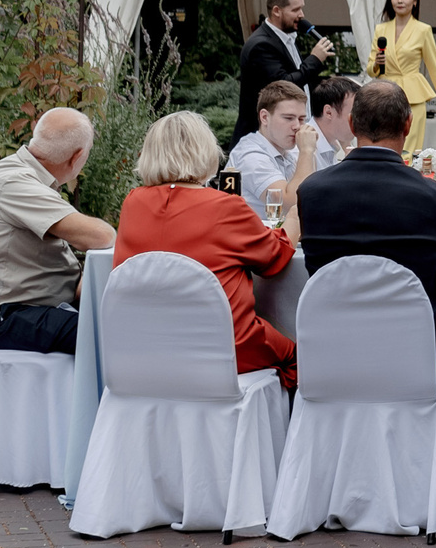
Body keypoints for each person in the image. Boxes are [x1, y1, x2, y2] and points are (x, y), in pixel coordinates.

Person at [295, 78, 436, 392]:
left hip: (332, 354)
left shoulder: (311, 192)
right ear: (408, 125)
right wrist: (429, 272)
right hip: (416, 356)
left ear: (352, 124)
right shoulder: (432, 196)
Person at [113, 110, 300, 387]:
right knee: (298, 357)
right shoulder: (225, 206)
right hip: (224, 345)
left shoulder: (133, 203)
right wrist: (296, 215)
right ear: (205, 151)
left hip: (146, 347)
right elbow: (275, 258)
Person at [0, 107, 116, 354]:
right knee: (109, 333)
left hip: (9, 312)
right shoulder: (15, 183)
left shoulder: (18, 176)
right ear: (77, 157)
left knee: (113, 324)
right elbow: (101, 236)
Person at [236, 0, 334, 141]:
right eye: (295, 10)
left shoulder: (286, 37)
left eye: (301, 8)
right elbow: (284, 86)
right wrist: (315, 59)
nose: (301, 15)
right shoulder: (261, 45)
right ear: (276, 11)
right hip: (264, 139)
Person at [368, 0, 436, 155]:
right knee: (384, 143)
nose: (400, 0)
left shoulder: (423, 30)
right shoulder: (381, 30)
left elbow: (435, 70)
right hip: (385, 94)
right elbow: (370, 69)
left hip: (413, 96)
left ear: (414, 1)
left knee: (410, 148)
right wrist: (377, 63)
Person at [224, 80, 311, 222]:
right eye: (288, 118)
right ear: (264, 117)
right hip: (251, 241)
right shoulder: (250, 155)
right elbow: (291, 202)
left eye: (301, 119)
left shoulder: (287, 150)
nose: (297, 126)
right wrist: (307, 151)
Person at [311, 76, 358, 166]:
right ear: (329, 112)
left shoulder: (330, 144)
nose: (359, 120)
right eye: (354, 113)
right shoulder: (300, 151)